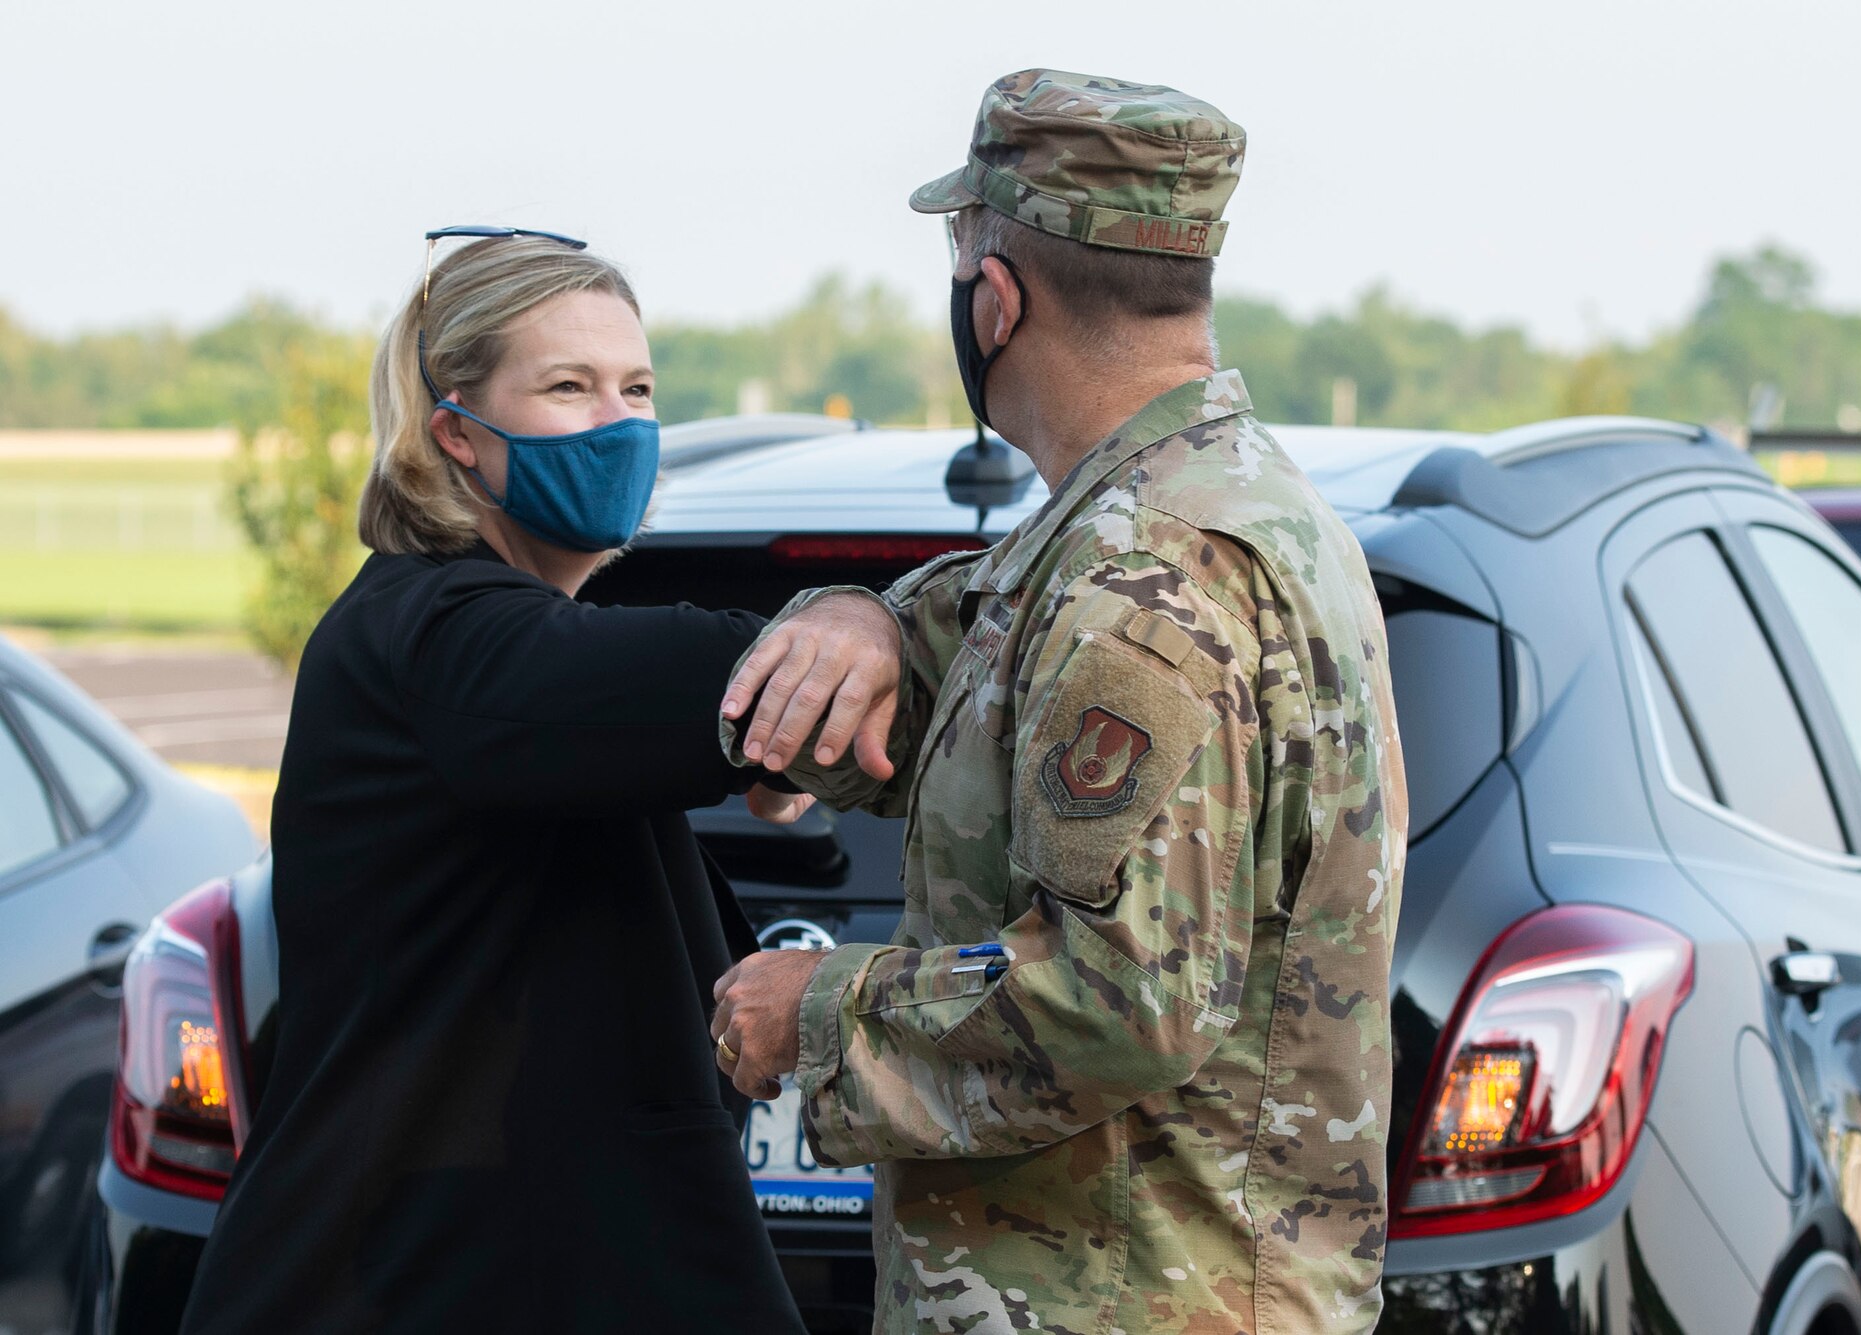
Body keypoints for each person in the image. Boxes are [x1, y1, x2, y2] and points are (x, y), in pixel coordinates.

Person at [712, 70, 1410, 1333]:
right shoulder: (1203, 506)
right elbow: (991, 650)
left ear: (993, 301)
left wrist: (813, 1013)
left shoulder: (1148, 570)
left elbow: (1119, 999)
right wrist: (861, 616)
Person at [180, 229, 894, 1334]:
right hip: (405, 1280)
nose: (620, 422)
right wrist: (841, 631)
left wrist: (781, 720)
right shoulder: (436, 633)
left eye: (638, 387)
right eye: (568, 386)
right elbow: (641, 676)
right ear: (455, 431)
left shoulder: (502, 641)